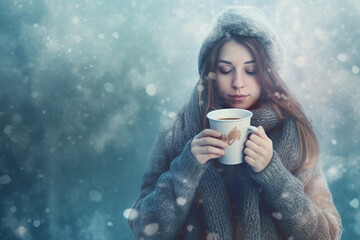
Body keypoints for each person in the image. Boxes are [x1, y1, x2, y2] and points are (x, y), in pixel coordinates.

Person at [127, 6, 342, 240]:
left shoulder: (294, 133)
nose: (238, 82)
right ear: (210, 73)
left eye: (250, 70)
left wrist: (274, 174)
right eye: (226, 69)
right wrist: (187, 167)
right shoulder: (176, 132)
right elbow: (144, 228)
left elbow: (327, 234)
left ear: (268, 74)